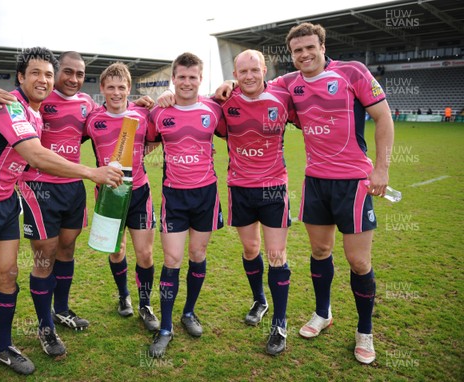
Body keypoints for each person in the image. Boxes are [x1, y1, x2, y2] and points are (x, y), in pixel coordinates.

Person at [0, 47, 123, 382]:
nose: (43, 80)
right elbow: (34, 154)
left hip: (4, 203)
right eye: (35, 73)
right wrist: (92, 172)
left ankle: (4, 347)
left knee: (7, 277)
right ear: (21, 77)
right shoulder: (10, 104)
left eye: (48, 74)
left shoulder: (33, 112)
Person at [0, 53, 156, 357]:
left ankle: (61, 309)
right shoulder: (37, 99)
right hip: (39, 187)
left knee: (67, 250)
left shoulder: (87, 104)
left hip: (73, 188)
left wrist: (142, 103)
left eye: (79, 74)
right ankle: (45, 329)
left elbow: (112, 117)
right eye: (67, 72)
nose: (73, 78)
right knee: (44, 256)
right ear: (56, 74)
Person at [270, 22, 394, 365]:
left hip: (354, 181)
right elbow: (255, 88)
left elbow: (384, 118)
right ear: (292, 55)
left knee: (358, 260)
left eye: (310, 47)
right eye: (297, 51)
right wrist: (226, 85)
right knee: (321, 250)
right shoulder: (289, 83)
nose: (304, 55)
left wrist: (381, 169)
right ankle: (322, 313)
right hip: (315, 181)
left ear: (323, 47)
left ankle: (364, 331)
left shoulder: (352, 73)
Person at [158, 50, 296, 355]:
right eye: (241, 71)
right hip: (240, 187)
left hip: (274, 187)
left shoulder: (282, 99)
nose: (248, 76)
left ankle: (279, 324)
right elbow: (188, 114)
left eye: (254, 70)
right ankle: (259, 300)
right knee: (250, 249)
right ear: (234, 73)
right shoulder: (224, 103)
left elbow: (314, 116)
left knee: (276, 254)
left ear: (264, 71)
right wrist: (163, 95)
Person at [146, 52, 225, 358]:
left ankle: (189, 313)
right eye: (182, 77)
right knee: (172, 259)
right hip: (174, 196)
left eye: (193, 77)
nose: (187, 82)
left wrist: (229, 83)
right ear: (173, 79)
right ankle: (165, 328)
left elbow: (235, 118)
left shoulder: (213, 110)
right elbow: (147, 139)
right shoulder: (160, 113)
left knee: (198, 254)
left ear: (200, 79)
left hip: (206, 195)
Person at [85, 62, 160, 331]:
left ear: (129, 88)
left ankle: (145, 303)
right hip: (108, 196)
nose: (116, 93)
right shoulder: (92, 120)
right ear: (102, 89)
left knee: (145, 253)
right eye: (111, 87)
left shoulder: (142, 115)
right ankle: (123, 295)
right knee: (116, 251)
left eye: (122, 87)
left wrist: (135, 158)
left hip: (139, 192)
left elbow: (156, 138)